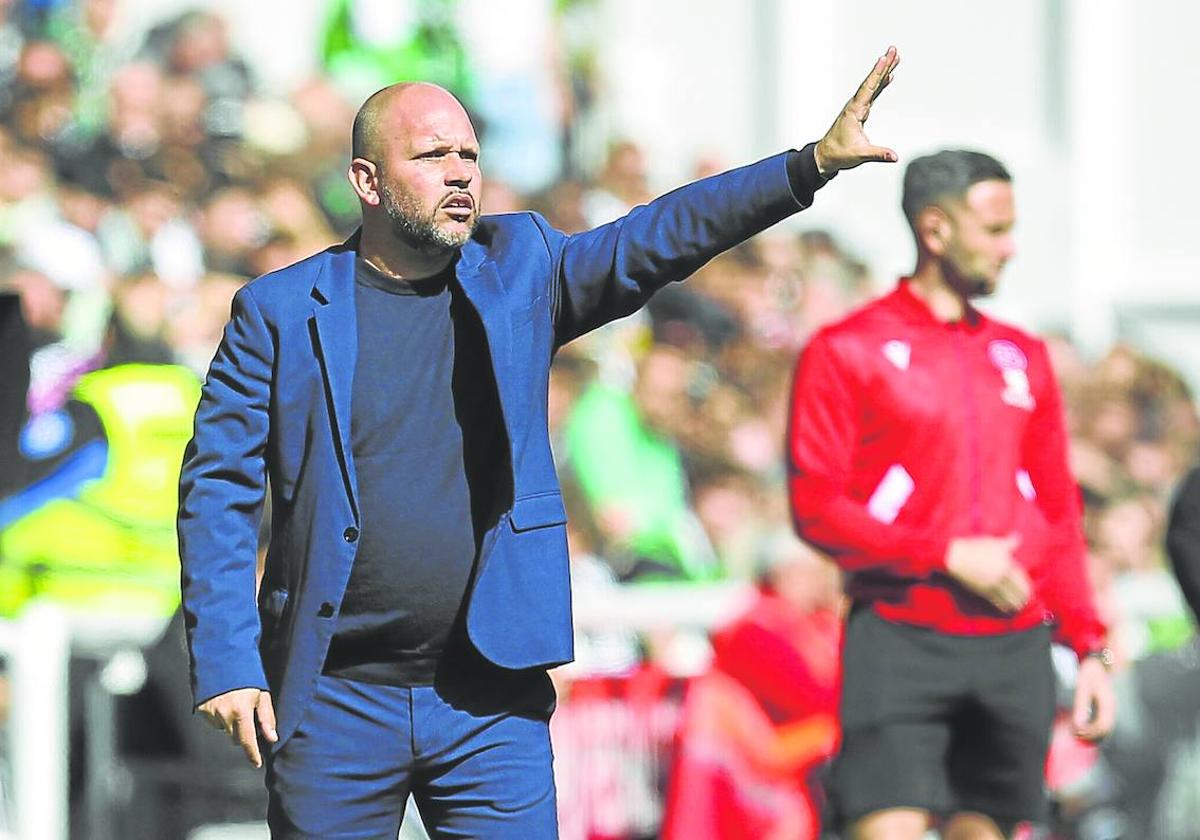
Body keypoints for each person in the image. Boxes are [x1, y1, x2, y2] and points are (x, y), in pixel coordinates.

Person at [178, 47, 901, 838]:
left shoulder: (520, 267)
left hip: (488, 697)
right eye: (431, 156)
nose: (460, 173)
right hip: (334, 695)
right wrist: (226, 658)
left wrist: (807, 168)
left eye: (469, 155)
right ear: (367, 181)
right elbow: (217, 487)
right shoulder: (278, 311)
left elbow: (656, 236)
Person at [786, 149, 1116, 840]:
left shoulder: (1021, 355)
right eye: (995, 229)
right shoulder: (847, 349)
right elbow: (817, 505)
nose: (1011, 247)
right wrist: (944, 554)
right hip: (899, 639)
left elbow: (1059, 511)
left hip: (1015, 649)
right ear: (936, 231)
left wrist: (1088, 648)